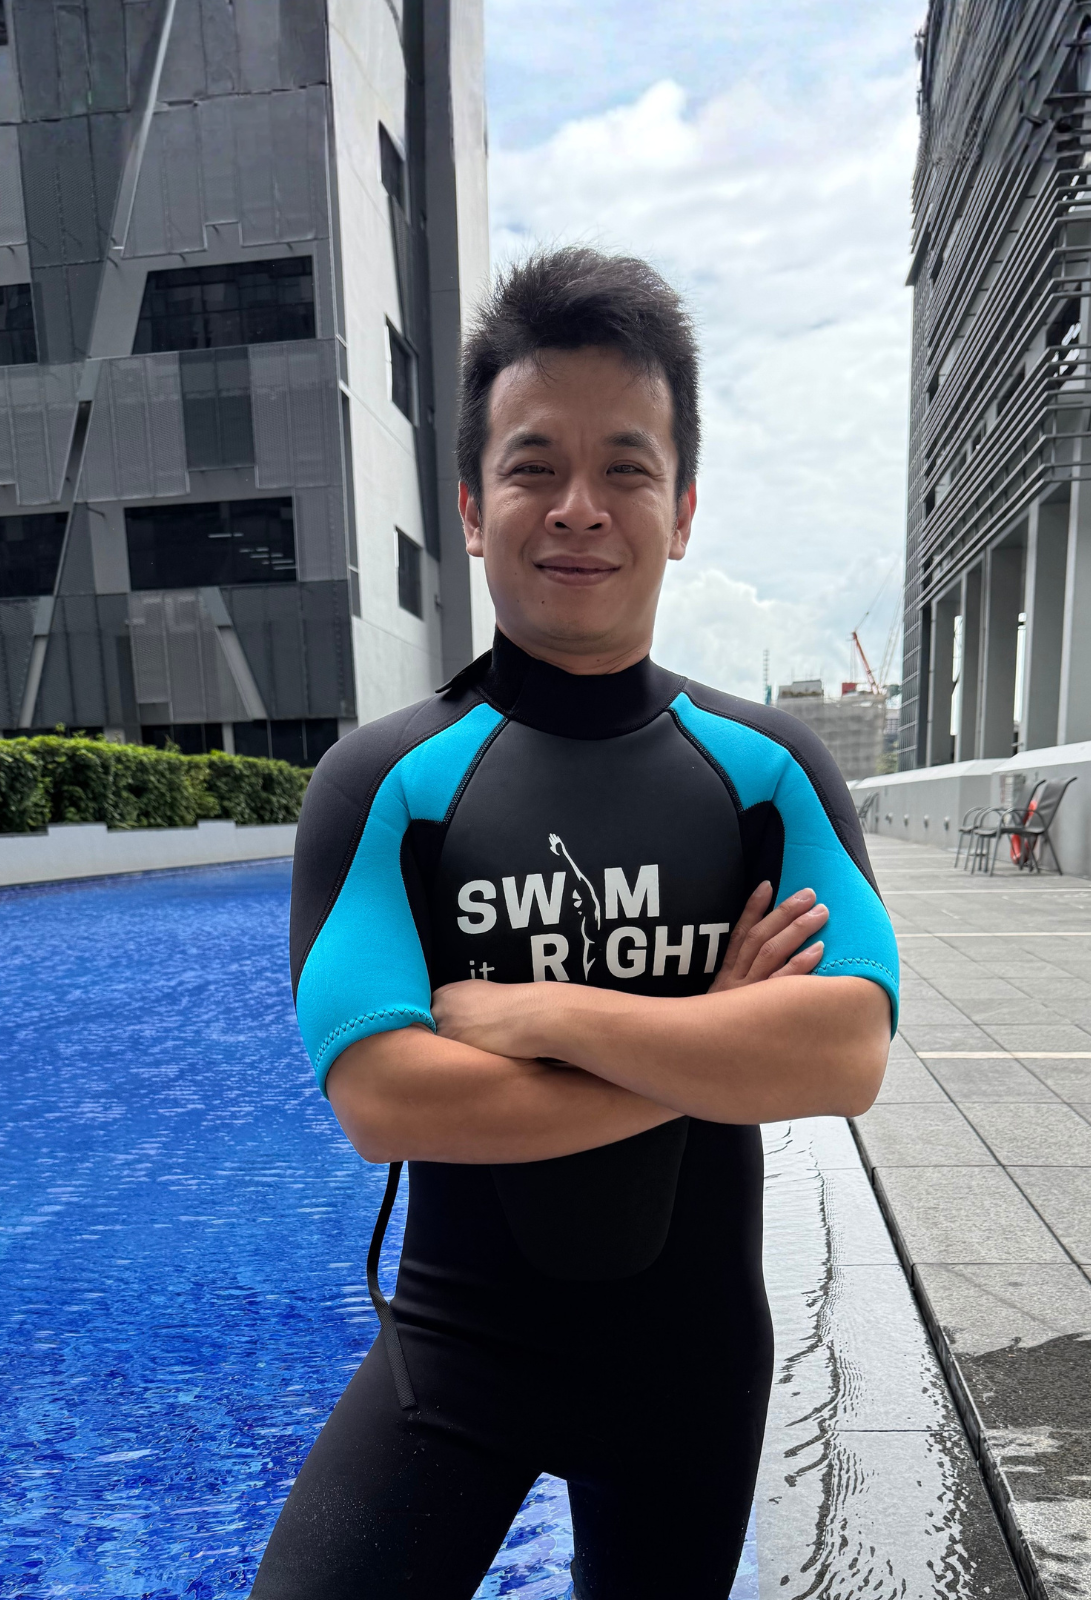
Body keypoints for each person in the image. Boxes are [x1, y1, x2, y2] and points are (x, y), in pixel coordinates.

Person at [252, 247, 898, 1600]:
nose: (581, 509)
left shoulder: (766, 770)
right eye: (537, 465)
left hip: (689, 1371)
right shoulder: (385, 784)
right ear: (475, 504)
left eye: (628, 467)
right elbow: (384, 1095)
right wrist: (712, 1041)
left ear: (685, 506)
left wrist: (544, 1016)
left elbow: (840, 1056)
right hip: (456, 1356)